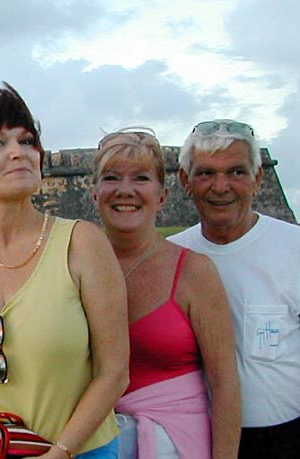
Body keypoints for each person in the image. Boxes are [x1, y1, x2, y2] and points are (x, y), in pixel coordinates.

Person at [0, 84, 128, 458]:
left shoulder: (82, 243)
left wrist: (60, 453)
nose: (18, 153)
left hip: (81, 452)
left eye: (26, 140)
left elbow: (114, 373)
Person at [92, 128, 240, 458]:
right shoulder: (74, 269)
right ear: (94, 193)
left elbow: (225, 384)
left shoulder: (193, 272)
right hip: (96, 444)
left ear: (162, 195)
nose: (125, 191)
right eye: (112, 178)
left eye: (141, 178)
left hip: (178, 445)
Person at [170, 119, 300, 459]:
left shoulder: (296, 249)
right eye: (206, 174)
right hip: (196, 438)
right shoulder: (172, 257)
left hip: (289, 436)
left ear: (258, 179)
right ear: (186, 181)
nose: (221, 186)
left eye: (236, 173)